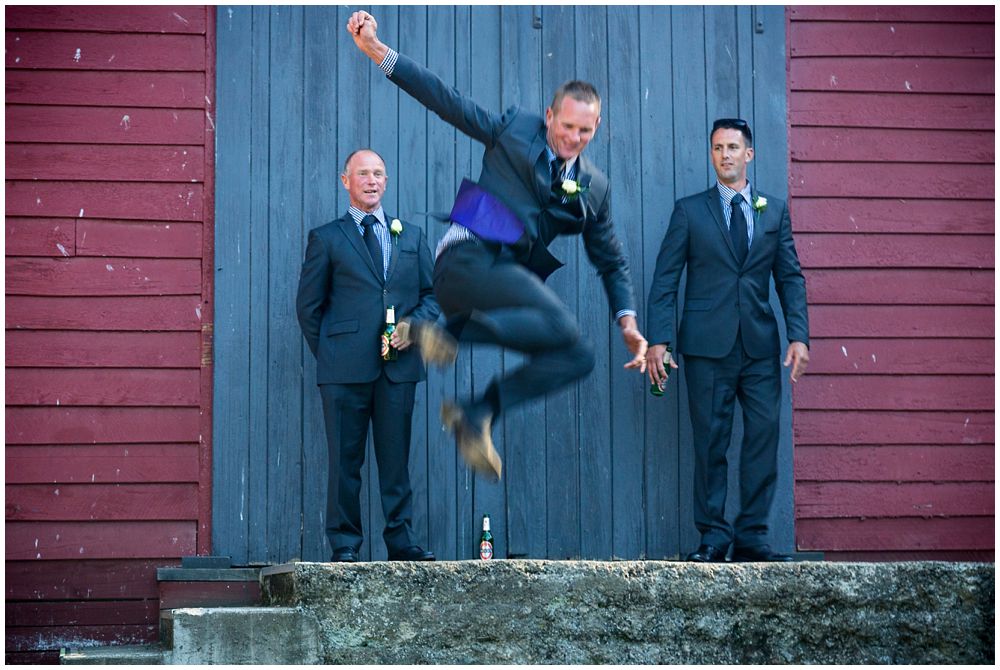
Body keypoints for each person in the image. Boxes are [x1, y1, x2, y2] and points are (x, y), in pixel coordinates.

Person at [346, 11, 648, 480]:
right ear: (550, 116)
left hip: (503, 283)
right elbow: (447, 101)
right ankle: (450, 335)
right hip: (464, 258)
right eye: (566, 126)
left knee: (577, 354)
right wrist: (378, 52)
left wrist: (628, 321)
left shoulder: (594, 188)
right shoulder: (514, 130)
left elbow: (611, 259)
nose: (573, 138)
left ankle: (477, 411)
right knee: (558, 321)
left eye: (585, 131)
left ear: (597, 128)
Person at [646, 118, 810, 563]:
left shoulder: (772, 210)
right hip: (705, 348)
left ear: (749, 154)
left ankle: (752, 536)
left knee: (763, 436)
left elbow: (790, 278)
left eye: (733, 147)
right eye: (718, 147)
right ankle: (714, 537)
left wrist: (799, 335)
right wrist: (659, 339)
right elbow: (665, 280)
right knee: (711, 442)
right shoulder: (689, 211)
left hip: (759, 347)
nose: (725, 155)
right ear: (712, 153)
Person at [296, 149, 440, 562]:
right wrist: (331, 356)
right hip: (343, 371)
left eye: (378, 173)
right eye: (363, 173)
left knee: (396, 462)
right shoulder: (326, 238)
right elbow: (308, 308)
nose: (371, 180)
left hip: (399, 369)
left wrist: (414, 327)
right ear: (346, 181)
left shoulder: (411, 236)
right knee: (345, 462)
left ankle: (401, 542)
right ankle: (345, 544)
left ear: (387, 180)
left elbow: (432, 297)